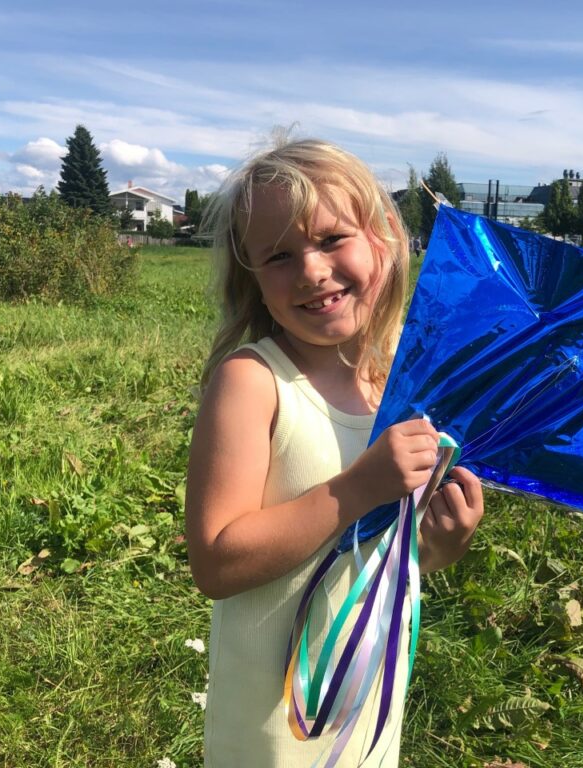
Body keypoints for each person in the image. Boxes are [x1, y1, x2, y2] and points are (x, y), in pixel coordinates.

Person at [184, 137, 485, 767]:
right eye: (279, 255)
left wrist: (436, 547)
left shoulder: (400, 387)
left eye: (330, 239)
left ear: (385, 241)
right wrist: (356, 489)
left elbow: (373, 562)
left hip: (365, 698)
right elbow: (215, 563)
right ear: (253, 281)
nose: (312, 271)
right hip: (269, 722)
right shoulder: (254, 381)